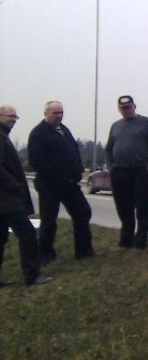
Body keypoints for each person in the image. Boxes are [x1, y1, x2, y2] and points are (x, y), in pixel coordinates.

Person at [27, 101, 95, 265]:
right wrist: (54, 177)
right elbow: (37, 160)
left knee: (83, 212)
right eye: (55, 113)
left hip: (70, 184)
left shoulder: (64, 130)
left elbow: (74, 151)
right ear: (46, 114)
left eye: (61, 112)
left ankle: (83, 250)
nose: (59, 116)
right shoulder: (38, 133)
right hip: (50, 185)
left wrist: (78, 170)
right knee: (49, 221)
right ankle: (46, 255)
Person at [0, 105, 53, 286]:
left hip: (5, 198)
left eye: (16, 117)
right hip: (7, 199)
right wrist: (14, 185)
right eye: (10, 116)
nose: (13, 120)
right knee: (27, 233)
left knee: (1, 237)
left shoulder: (3, 136)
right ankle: (32, 275)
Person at [105, 95, 148, 249]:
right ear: (118, 109)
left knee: (142, 207)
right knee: (123, 207)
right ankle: (125, 240)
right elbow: (109, 148)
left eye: (128, 107)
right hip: (119, 171)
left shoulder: (145, 122)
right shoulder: (116, 126)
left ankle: (141, 241)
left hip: (140, 170)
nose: (126, 110)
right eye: (122, 108)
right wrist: (110, 167)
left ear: (134, 106)